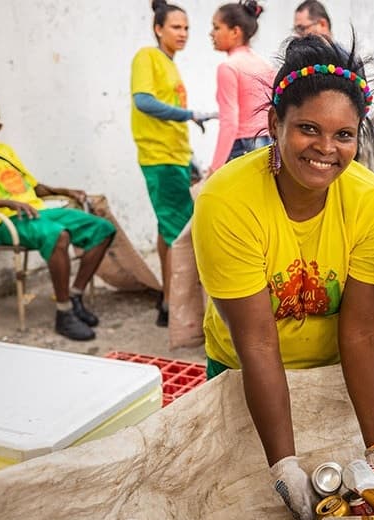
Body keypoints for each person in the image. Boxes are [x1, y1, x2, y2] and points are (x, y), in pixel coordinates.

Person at [192, 35, 374, 520]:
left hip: (332, 374)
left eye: (344, 135)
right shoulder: (227, 201)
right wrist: (282, 462)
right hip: (246, 375)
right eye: (308, 129)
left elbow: (365, 332)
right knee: (242, 505)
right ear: (273, 124)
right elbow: (258, 343)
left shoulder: (368, 200)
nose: (327, 150)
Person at [0, 98, 116, 341]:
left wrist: (63, 190)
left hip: (37, 212)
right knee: (58, 235)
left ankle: (74, 296)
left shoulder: (6, 152)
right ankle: (64, 314)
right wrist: (6, 203)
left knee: (102, 229)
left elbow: (33, 186)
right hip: (3, 223)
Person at [130, 0, 215, 327]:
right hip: (159, 158)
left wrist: (191, 157)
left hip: (177, 156)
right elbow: (144, 102)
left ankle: (166, 297)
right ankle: (170, 305)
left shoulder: (170, 63)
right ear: (158, 28)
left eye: (186, 28)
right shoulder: (147, 57)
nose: (183, 34)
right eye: (176, 27)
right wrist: (190, 114)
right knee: (178, 232)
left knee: (166, 231)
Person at [208, 0, 275, 172]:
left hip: (242, 147)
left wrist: (214, 169)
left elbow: (229, 122)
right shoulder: (265, 65)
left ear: (235, 32)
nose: (211, 34)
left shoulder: (229, 67)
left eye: (216, 27)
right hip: (268, 145)